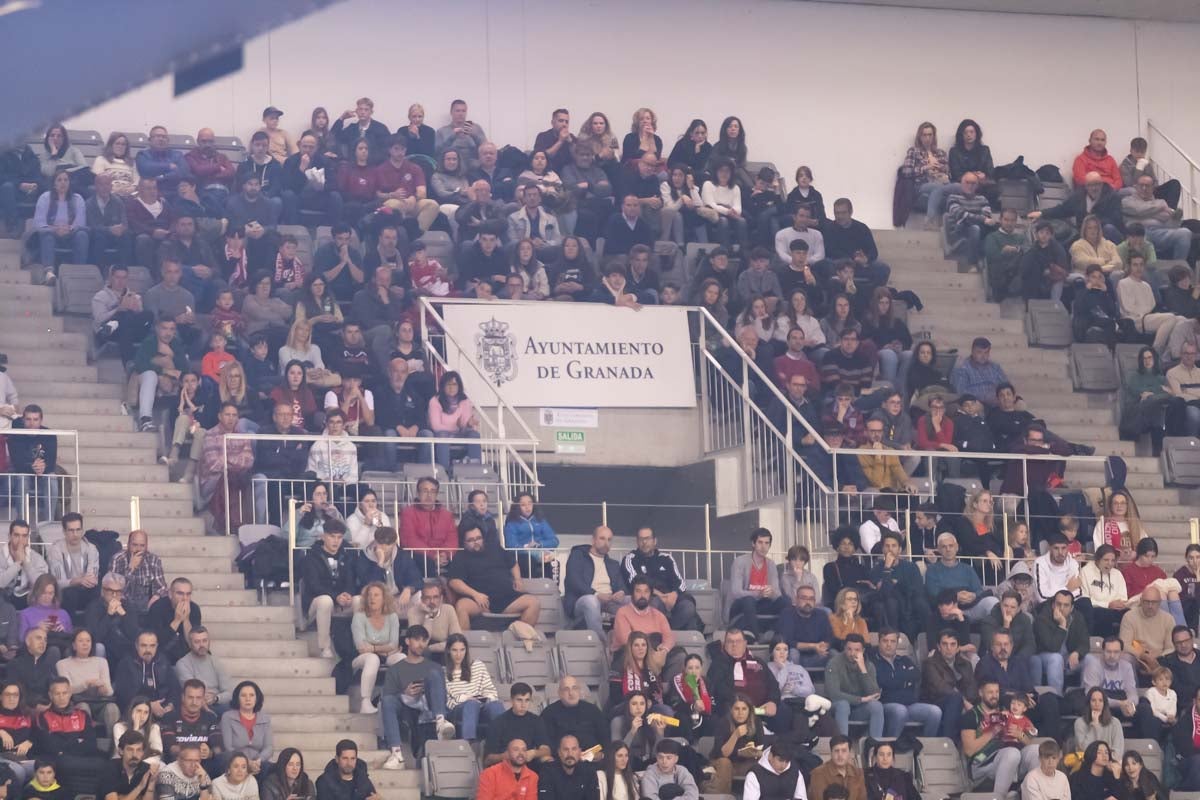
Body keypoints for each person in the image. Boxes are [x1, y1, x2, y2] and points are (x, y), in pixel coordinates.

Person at [447, 523, 540, 631]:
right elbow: (454, 581)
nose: (476, 542)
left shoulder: (495, 548)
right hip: (481, 602)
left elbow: (513, 564)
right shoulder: (461, 557)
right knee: (462, 606)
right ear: (464, 542)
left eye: (478, 538)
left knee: (534, 603)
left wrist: (518, 580)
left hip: (507, 599)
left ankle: (518, 637)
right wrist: (475, 594)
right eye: (471, 540)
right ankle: (464, 641)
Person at [35, 676, 107, 799]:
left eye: (65, 693)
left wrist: (64, 746)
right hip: (60, 762)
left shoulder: (82, 715)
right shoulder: (43, 717)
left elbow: (91, 744)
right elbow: (50, 746)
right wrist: (77, 741)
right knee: (62, 763)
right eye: (57, 694)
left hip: (80, 759)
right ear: (50, 695)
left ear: (70, 693)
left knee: (105, 764)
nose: (61, 697)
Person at [707, 629, 790, 733]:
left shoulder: (758, 662)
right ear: (725, 644)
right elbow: (718, 689)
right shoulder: (718, 664)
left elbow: (773, 685)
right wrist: (744, 705)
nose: (734, 644)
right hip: (737, 709)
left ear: (745, 643)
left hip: (762, 709)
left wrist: (772, 701)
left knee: (783, 710)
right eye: (730, 641)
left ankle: (783, 741)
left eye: (738, 641)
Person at [620, 527, 698, 631]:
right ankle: (664, 632)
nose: (644, 542)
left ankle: (668, 631)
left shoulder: (666, 558)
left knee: (688, 607)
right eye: (641, 539)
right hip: (650, 598)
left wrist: (674, 594)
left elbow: (680, 582)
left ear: (654, 541)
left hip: (671, 598)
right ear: (637, 542)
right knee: (655, 604)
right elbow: (635, 583)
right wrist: (660, 595)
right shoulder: (630, 559)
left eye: (647, 538)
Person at [872, 627, 942, 736]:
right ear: (879, 642)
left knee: (935, 712)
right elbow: (882, 681)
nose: (889, 645)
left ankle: (925, 744)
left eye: (893, 641)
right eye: (885, 641)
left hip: (910, 704)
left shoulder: (904, 659)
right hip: (886, 705)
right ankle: (891, 743)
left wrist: (894, 680)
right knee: (900, 711)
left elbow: (916, 675)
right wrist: (905, 681)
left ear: (897, 644)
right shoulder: (873, 661)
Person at [300, 522, 355, 659]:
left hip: (340, 601)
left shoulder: (347, 556)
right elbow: (314, 585)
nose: (336, 541)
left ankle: (360, 643)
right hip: (317, 603)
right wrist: (336, 596)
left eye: (339, 537)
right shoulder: (311, 557)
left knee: (360, 600)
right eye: (332, 536)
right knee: (326, 601)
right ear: (323, 536)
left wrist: (348, 594)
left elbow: (351, 580)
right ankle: (325, 647)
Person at [727, 528, 789, 644]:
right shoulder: (740, 562)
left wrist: (772, 592)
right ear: (753, 543)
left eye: (767, 543)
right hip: (741, 604)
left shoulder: (770, 564)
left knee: (784, 602)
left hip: (762, 603)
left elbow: (777, 593)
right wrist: (758, 594)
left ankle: (779, 636)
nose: (763, 547)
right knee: (749, 600)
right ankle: (756, 637)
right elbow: (736, 592)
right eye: (760, 542)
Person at [348, 581, 402, 715]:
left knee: (402, 658)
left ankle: (402, 698)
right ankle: (365, 702)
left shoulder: (392, 617)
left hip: (387, 656)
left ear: (384, 598)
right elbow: (361, 647)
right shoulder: (359, 617)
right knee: (373, 659)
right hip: (361, 658)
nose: (372, 598)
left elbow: (394, 644)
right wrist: (384, 649)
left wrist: (372, 648)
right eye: (369, 595)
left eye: (376, 595)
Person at [55, 628, 118, 731]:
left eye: (88, 641)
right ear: (74, 645)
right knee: (83, 708)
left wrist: (103, 689)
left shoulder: (101, 662)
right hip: (77, 702)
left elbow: (110, 691)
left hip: (99, 703)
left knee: (112, 708)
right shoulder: (62, 664)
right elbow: (67, 690)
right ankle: (87, 739)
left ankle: (114, 740)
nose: (85, 644)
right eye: (81, 641)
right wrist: (86, 684)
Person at [825, 633, 884, 738]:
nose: (852, 653)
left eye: (857, 650)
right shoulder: (834, 663)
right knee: (843, 705)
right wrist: (861, 699)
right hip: (837, 708)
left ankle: (875, 744)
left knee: (877, 706)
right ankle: (842, 743)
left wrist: (863, 669)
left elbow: (874, 694)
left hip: (858, 710)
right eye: (849, 649)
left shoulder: (869, 666)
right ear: (844, 648)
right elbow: (834, 694)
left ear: (863, 651)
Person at [33, 168, 87, 277]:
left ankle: (79, 271)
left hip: (71, 234)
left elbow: (81, 222)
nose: (63, 183)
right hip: (51, 233)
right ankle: (49, 272)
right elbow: (39, 222)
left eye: (66, 180)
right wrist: (54, 229)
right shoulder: (45, 197)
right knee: (47, 235)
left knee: (82, 234)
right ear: (54, 184)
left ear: (70, 183)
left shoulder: (78, 199)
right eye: (59, 180)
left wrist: (69, 229)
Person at [482, 682, 551, 768]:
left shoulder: (536, 721)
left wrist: (534, 753)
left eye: (527, 700)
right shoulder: (498, 723)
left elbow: (546, 750)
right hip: (505, 767)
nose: (523, 705)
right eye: (519, 700)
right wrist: (504, 756)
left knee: (549, 761)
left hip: (529, 767)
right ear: (511, 700)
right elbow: (488, 759)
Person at [1124, 174, 1193, 260]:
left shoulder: (1160, 201)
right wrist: (1160, 208)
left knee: (1185, 232)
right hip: (1140, 232)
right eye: (1141, 185)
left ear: (1153, 188)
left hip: (1160, 232)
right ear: (1136, 186)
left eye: (1147, 186)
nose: (1144, 188)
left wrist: (1175, 218)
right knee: (1141, 236)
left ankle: (1179, 265)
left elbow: (1171, 224)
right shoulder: (1127, 201)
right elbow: (1138, 210)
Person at [113, 630, 179, 719]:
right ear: (136, 646)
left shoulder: (163, 662)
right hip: (134, 711)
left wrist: (170, 705)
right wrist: (149, 705)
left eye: (152, 646)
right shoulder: (126, 664)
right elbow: (123, 696)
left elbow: (174, 688)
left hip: (163, 710)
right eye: (144, 645)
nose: (148, 650)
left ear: (157, 646)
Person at [399, 477, 458, 574]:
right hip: (420, 555)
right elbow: (409, 540)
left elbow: (452, 539)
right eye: (425, 491)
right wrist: (433, 555)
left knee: (461, 560)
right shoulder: (408, 513)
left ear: (437, 494)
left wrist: (445, 554)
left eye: (433, 491)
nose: (429, 495)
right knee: (426, 562)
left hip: (443, 556)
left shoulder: (447, 515)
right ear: (418, 493)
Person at [219, 681, 272, 778]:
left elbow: (268, 747)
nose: (248, 699)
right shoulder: (227, 717)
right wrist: (247, 762)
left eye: (251, 695)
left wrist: (258, 761)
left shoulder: (265, 719)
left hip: (258, 763)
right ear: (237, 698)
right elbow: (228, 747)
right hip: (234, 762)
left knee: (271, 768)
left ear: (257, 698)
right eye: (243, 695)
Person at [173, 627, 232, 711]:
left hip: (217, 702)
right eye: (197, 642)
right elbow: (192, 690)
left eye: (204, 641)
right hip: (195, 703)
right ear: (190, 644)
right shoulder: (183, 663)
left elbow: (229, 692)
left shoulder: (215, 661)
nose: (201, 645)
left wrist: (216, 698)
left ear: (209, 642)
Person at [776, 584, 833, 669]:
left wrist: (823, 646)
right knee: (793, 653)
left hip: (817, 656)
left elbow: (829, 638)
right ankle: (794, 677)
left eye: (811, 599)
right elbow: (787, 641)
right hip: (796, 657)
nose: (808, 602)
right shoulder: (787, 614)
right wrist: (813, 646)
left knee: (834, 654)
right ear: (796, 599)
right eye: (804, 598)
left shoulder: (822, 615)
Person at [98, 730, 159, 800]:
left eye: (139, 750)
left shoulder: (147, 770)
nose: (134, 755)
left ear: (143, 752)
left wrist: (151, 785)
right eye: (130, 750)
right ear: (121, 751)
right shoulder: (110, 768)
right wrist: (139, 787)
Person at [538, 735, 599, 800]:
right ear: (559, 752)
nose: (570, 754)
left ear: (579, 751)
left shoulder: (589, 771)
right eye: (565, 749)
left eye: (574, 749)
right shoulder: (547, 771)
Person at [315, 739, 380, 800]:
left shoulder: (363, 778)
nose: (349, 763)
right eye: (345, 758)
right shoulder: (324, 781)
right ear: (337, 759)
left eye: (353, 758)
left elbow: (373, 797)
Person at [807, 736, 866, 800]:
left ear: (849, 753)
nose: (840, 755)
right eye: (836, 751)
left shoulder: (858, 773)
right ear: (831, 753)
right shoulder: (818, 773)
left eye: (844, 751)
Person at [1076, 685, 1126, 756]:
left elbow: (1118, 752)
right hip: (1088, 762)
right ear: (1088, 704)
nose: (1097, 704)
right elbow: (1084, 749)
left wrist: (1104, 760)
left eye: (1100, 700)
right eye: (1093, 700)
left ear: (1104, 704)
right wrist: (1094, 725)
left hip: (1110, 761)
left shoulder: (1115, 723)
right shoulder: (1080, 723)